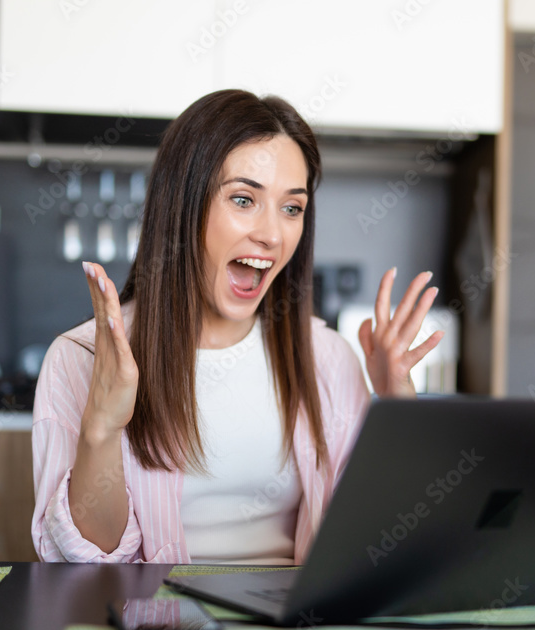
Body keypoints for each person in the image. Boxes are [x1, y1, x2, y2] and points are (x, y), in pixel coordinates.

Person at [31, 89, 443, 564]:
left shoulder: (329, 359)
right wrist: (101, 429)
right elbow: (79, 566)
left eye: (292, 208)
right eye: (244, 199)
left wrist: (398, 414)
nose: (271, 234)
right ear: (182, 203)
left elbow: (379, 548)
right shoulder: (81, 359)